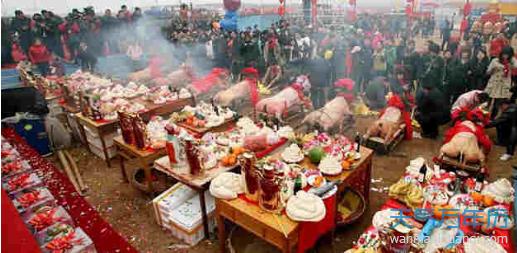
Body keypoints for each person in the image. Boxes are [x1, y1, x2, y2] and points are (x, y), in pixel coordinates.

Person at [485, 46, 517, 117]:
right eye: (504, 54)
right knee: (487, 103)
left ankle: (492, 119)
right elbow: (488, 72)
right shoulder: (495, 61)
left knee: (497, 104)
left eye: (508, 55)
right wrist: (493, 69)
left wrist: (511, 60)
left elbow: (516, 66)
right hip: (493, 84)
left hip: (503, 86)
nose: (505, 56)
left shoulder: (511, 62)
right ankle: (482, 117)